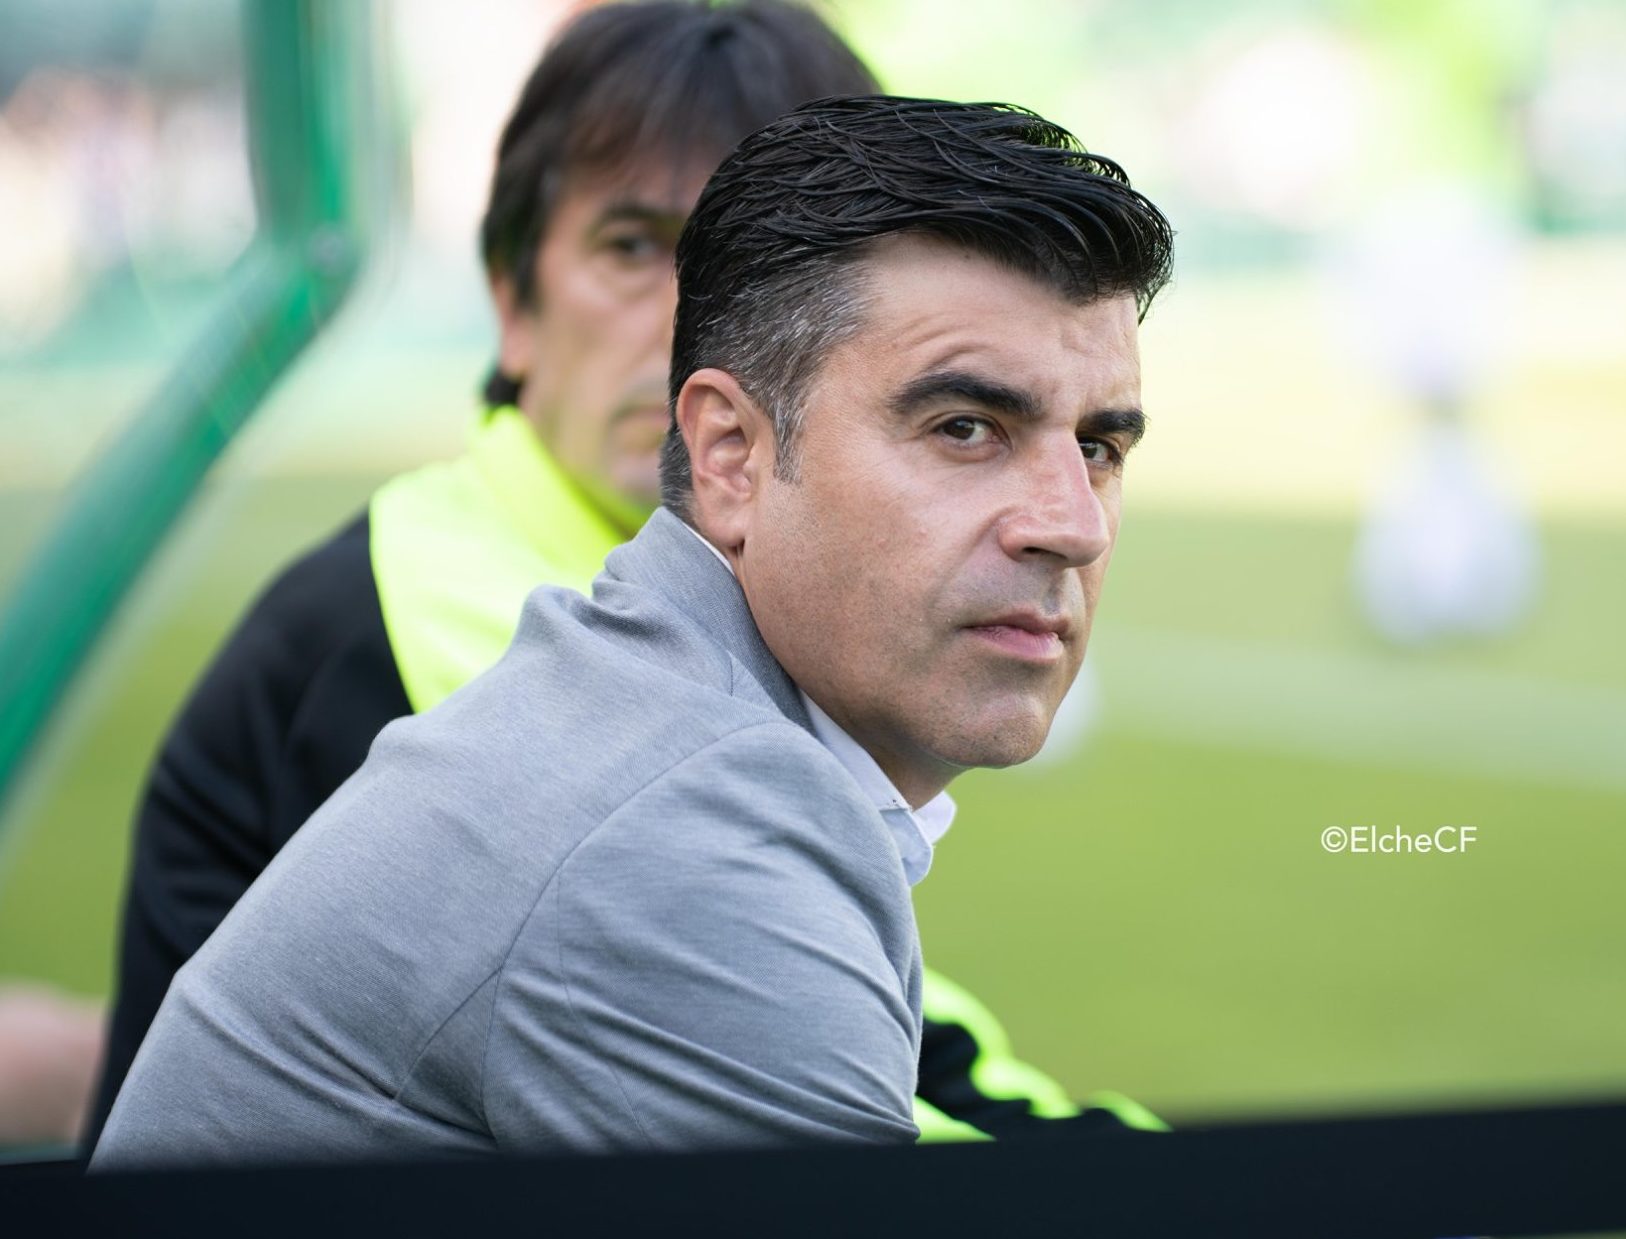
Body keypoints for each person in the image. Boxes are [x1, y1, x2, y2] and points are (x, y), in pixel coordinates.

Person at [83, 2, 1157, 1157]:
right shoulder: (504, 674)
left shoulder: (674, 660)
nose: (1072, 526)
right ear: (513, 299)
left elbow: (877, 1021)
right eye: (638, 247)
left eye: (1099, 447)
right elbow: (745, 981)